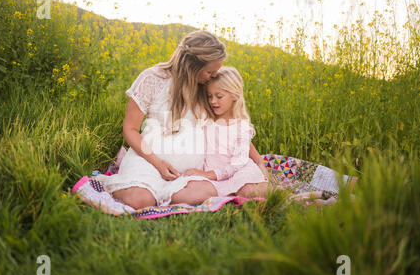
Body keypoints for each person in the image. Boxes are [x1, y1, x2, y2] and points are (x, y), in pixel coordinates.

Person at [93, 30, 268, 209]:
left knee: (214, 192)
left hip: (191, 173)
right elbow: (130, 129)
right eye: (210, 71)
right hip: (149, 160)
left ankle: (165, 195)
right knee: (140, 200)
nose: (214, 76)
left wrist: (258, 161)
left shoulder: (206, 88)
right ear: (193, 65)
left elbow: (232, 128)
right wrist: (158, 163)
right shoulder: (152, 78)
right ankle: (131, 185)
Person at [183, 66, 324, 201]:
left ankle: (289, 195)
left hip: (238, 172)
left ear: (234, 95)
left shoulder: (241, 127)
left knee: (246, 190)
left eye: (219, 96)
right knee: (194, 189)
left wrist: (261, 168)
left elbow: (238, 162)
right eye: (209, 96)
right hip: (214, 176)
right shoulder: (207, 120)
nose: (213, 101)